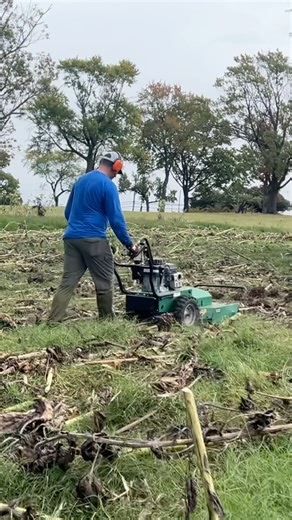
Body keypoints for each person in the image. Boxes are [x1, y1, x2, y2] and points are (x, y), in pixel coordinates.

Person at [47, 151, 138, 323]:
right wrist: (130, 244)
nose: (115, 176)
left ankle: (53, 322)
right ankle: (107, 322)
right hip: (94, 240)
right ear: (116, 167)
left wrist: (78, 226)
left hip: (71, 239)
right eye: (117, 172)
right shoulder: (108, 186)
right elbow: (116, 220)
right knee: (104, 282)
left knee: (67, 283)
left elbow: (68, 212)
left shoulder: (81, 180)